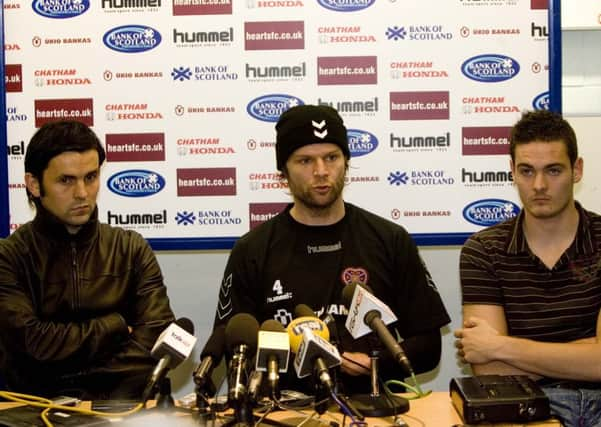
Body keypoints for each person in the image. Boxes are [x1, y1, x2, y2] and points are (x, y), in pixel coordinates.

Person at [213, 104, 450, 395]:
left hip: (373, 410)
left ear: (347, 162)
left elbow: (429, 346)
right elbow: (232, 350)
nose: (321, 171)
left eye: (331, 157)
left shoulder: (390, 239)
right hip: (282, 413)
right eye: (305, 161)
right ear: (282, 173)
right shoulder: (251, 250)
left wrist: (376, 363)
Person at [0, 120, 175, 400]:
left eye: (90, 177)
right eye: (66, 180)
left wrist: (62, 371)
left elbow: (158, 343)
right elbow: (30, 345)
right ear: (34, 184)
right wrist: (116, 326)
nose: (82, 193)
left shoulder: (130, 249)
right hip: (33, 417)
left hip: (121, 415)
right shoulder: (8, 257)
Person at [455, 110, 601, 427]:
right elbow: (488, 369)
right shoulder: (483, 251)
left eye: (553, 170)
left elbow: (492, 352)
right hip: (526, 407)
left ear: (577, 170)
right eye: (526, 171)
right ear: (512, 171)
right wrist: (586, 350)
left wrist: (502, 346)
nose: (538, 185)